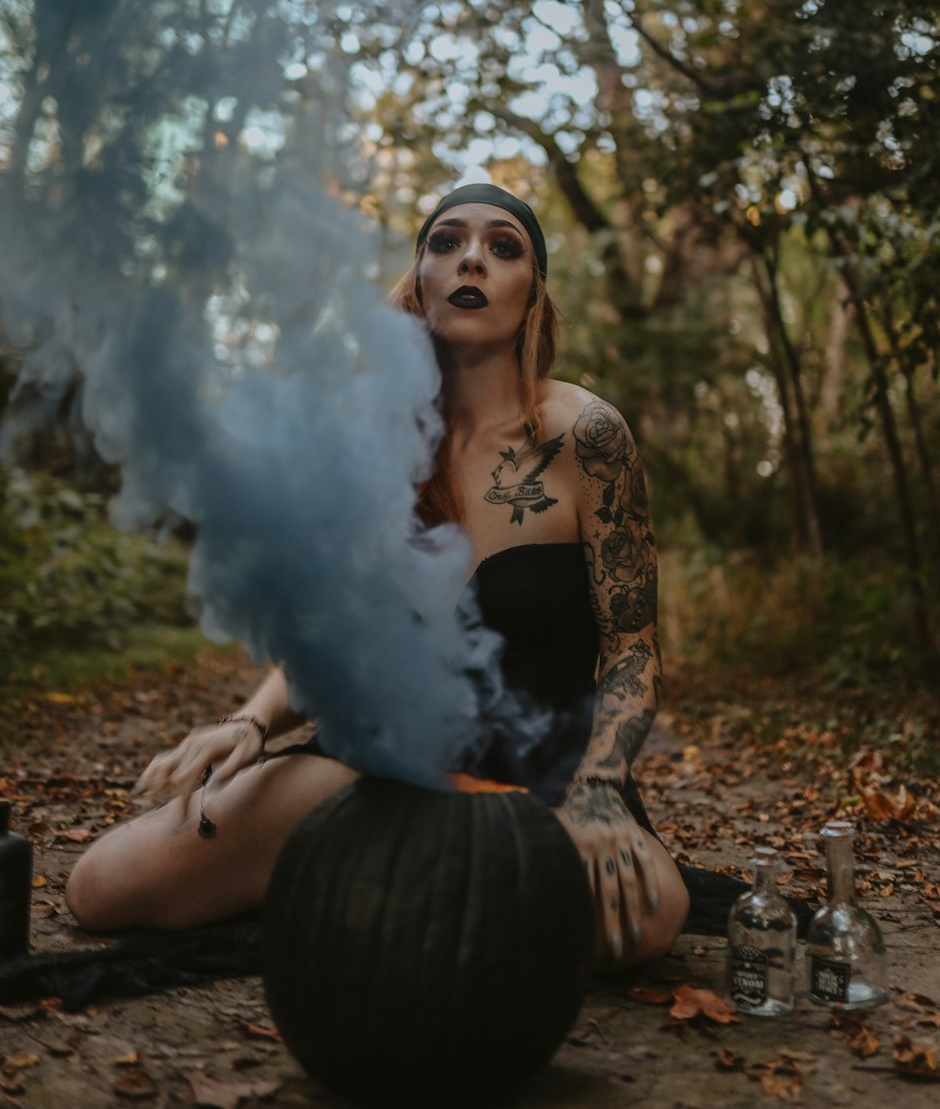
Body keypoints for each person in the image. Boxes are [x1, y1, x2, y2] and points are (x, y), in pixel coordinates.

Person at [66, 185, 689, 969]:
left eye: (504, 248)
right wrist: (252, 721)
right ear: (419, 282)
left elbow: (633, 649)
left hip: (545, 786)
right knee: (105, 886)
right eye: (446, 243)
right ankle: (401, 878)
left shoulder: (587, 435)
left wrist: (600, 786)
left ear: (534, 293)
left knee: (649, 917)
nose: (471, 258)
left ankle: (369, 883)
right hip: (380, 770)